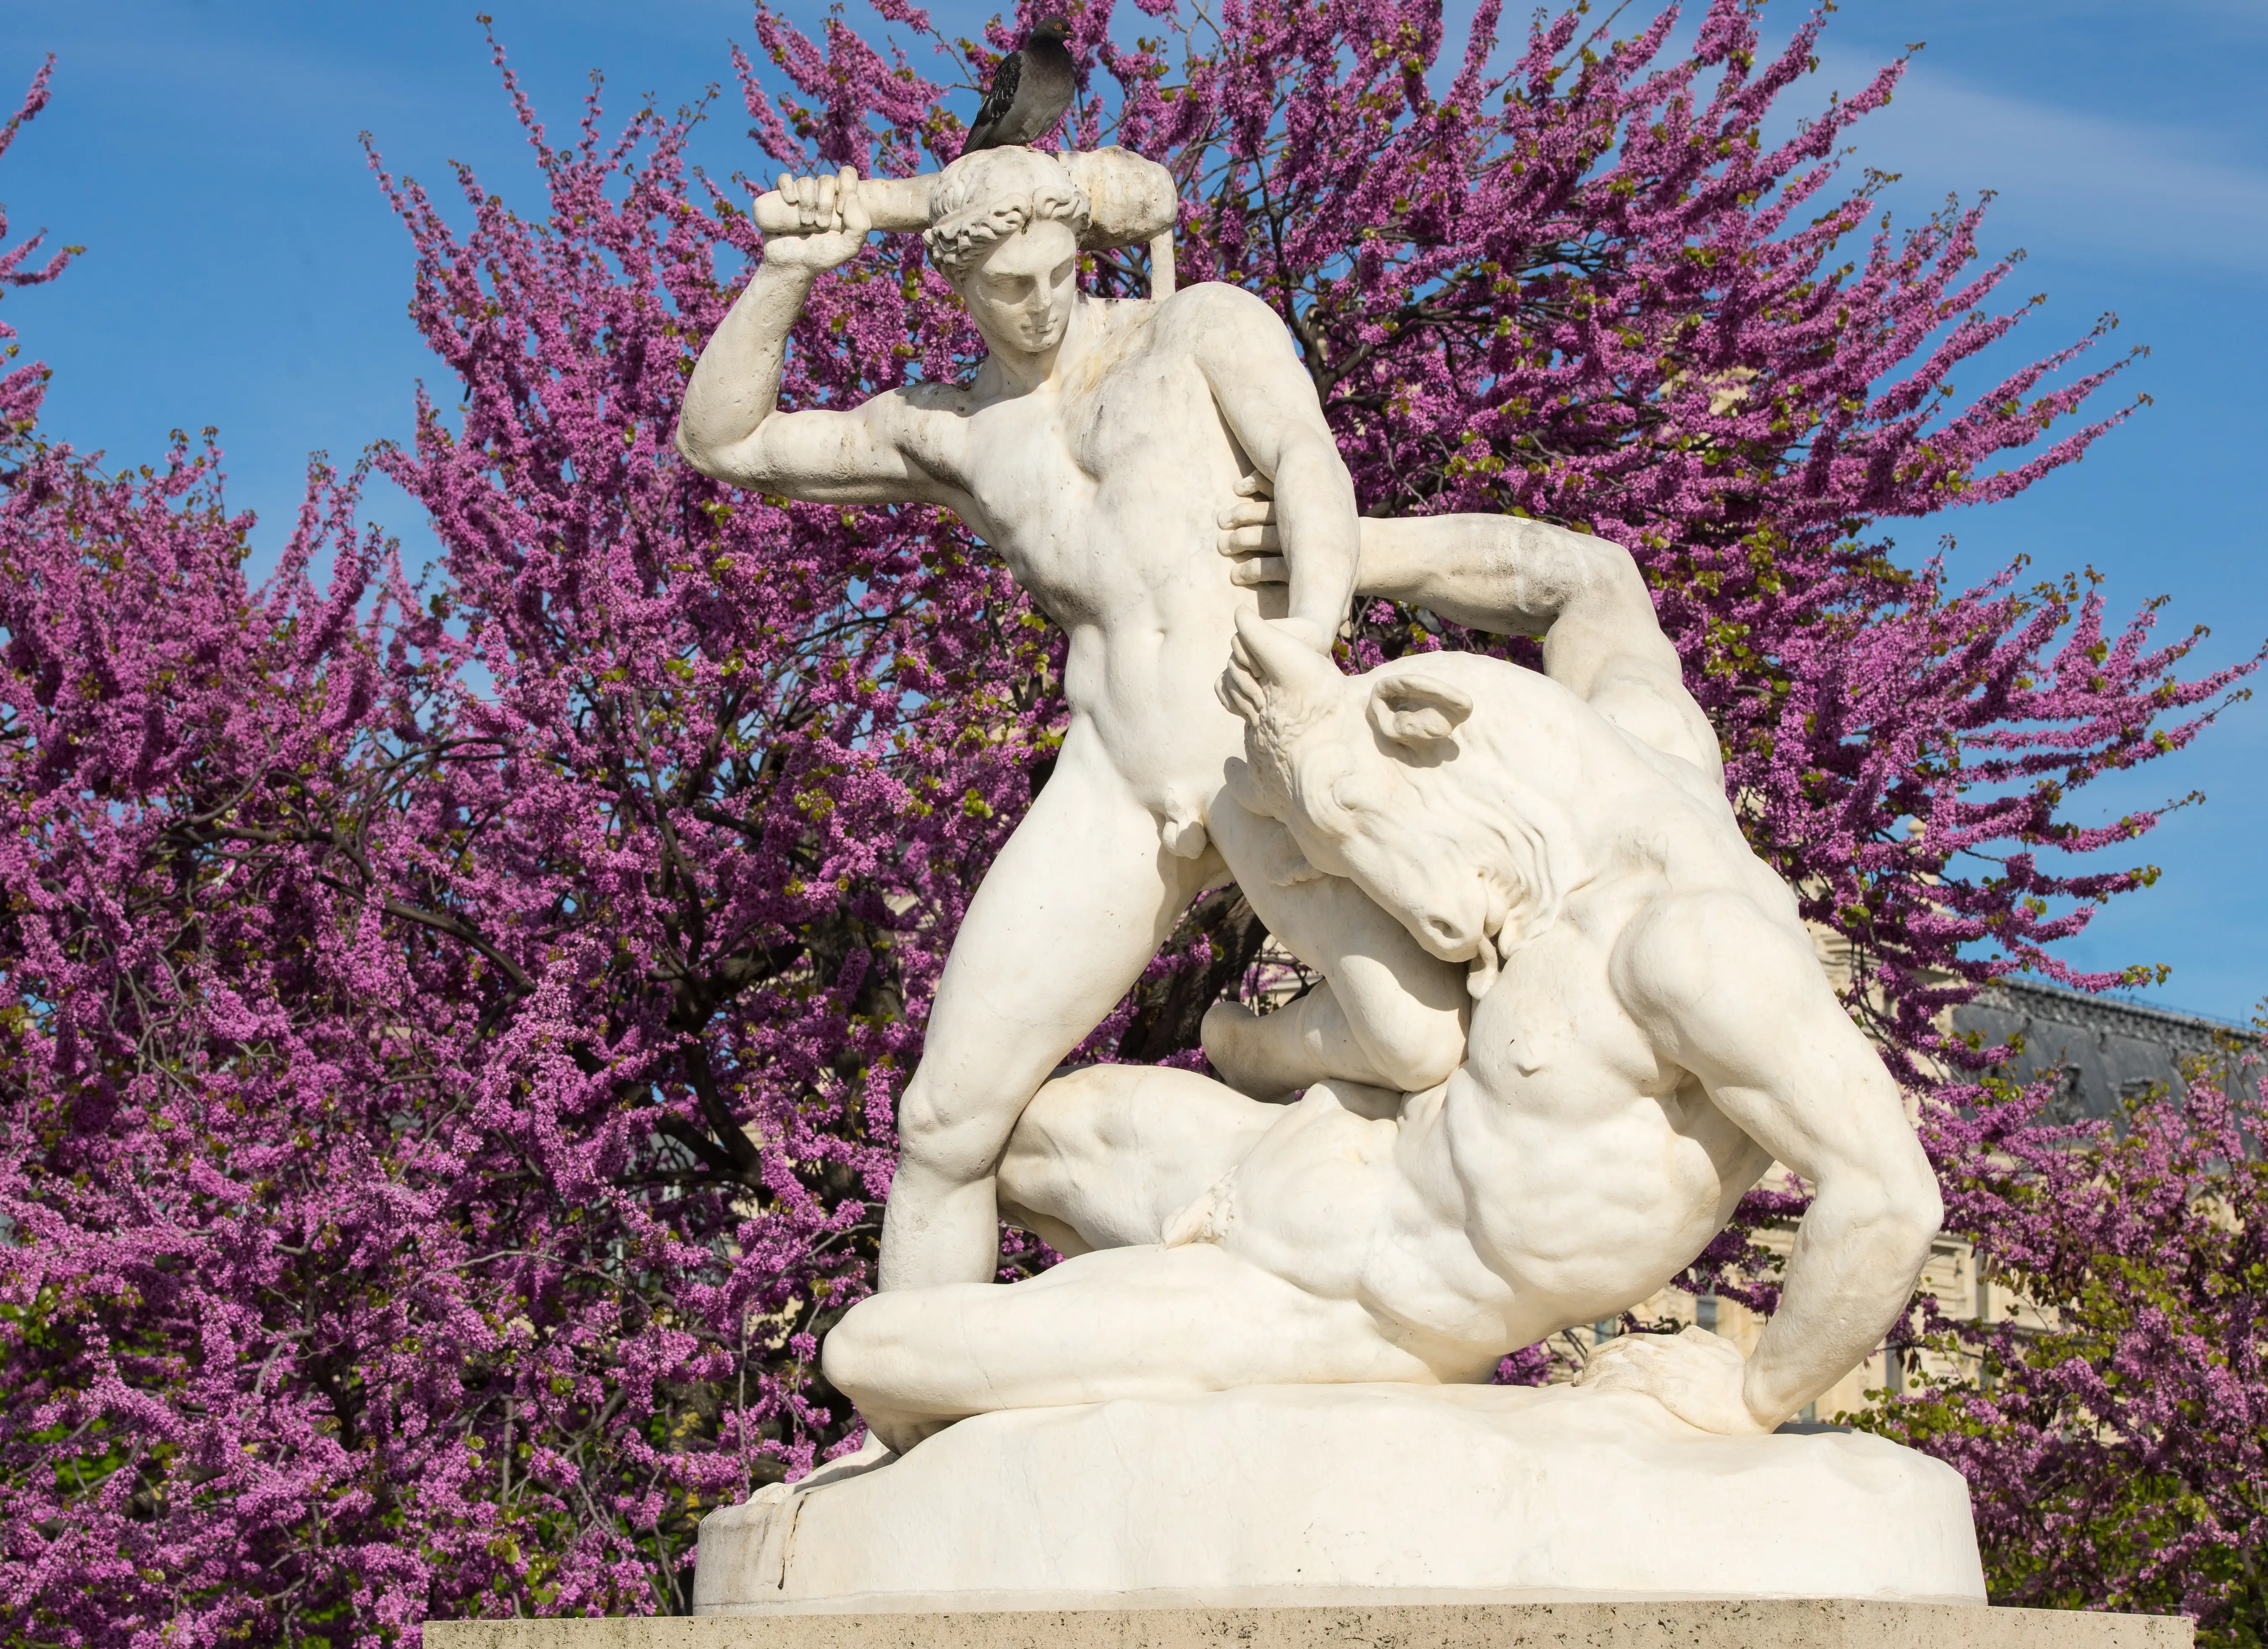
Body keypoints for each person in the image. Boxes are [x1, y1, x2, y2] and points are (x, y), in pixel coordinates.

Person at [823, 516, 1945, 1448]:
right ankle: (1090, 1412)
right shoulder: (1637, 742)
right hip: (1276, 1159)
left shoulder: (1691, 950)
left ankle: (1101, 1400)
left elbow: (1888, 1197)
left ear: (1427, 742)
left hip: (1327, 1303)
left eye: (1359, 833)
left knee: (871, 1349)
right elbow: (1588, 582)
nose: (1409, 905)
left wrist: (1753, 1396)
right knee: (1000, 1135)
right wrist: (1337, 551)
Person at [674, 149, 1466, 1293]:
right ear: (958, 289)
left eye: (1056, 272)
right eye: (1009, 286)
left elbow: (1306, 457)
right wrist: (786, 275)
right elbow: (726, 443)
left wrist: (1306, 640)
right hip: (1114, 788)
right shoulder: (952, 432)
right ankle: (918, 1412)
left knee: (1414, 1040)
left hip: (1262, 744)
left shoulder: (1193, 329)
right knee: (943, 1121)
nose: (1041, 300)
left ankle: (1249, 1050)